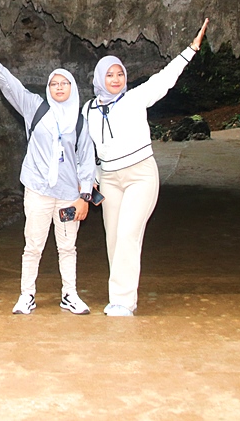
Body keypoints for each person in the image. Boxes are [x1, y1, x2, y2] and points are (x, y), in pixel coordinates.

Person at [0, 23, 97, 315]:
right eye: (54, 84)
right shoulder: (35, 107)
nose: (59, 87)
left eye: (64, 83)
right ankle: (27, 294)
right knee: (33, 245)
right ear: (48, 88)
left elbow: (87, 160)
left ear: (72, 88)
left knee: (67, 247)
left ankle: (70, 295)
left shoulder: (80, 121)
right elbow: (9, 83)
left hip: (67, 194)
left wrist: (84, 196)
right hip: (38, 189)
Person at [85, 18, 210, 317]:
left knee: (128, 233)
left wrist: (191, 49)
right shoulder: (88, 109)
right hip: (109, 179)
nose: (116, 79)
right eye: (110, 75)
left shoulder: (135, 98)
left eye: (120, 74)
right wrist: (89, 177)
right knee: (113, 237)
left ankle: (123, 301)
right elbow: (83, 146)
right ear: (100, 78)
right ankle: (120, 296)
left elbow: (165, 79)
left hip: (141, 175)